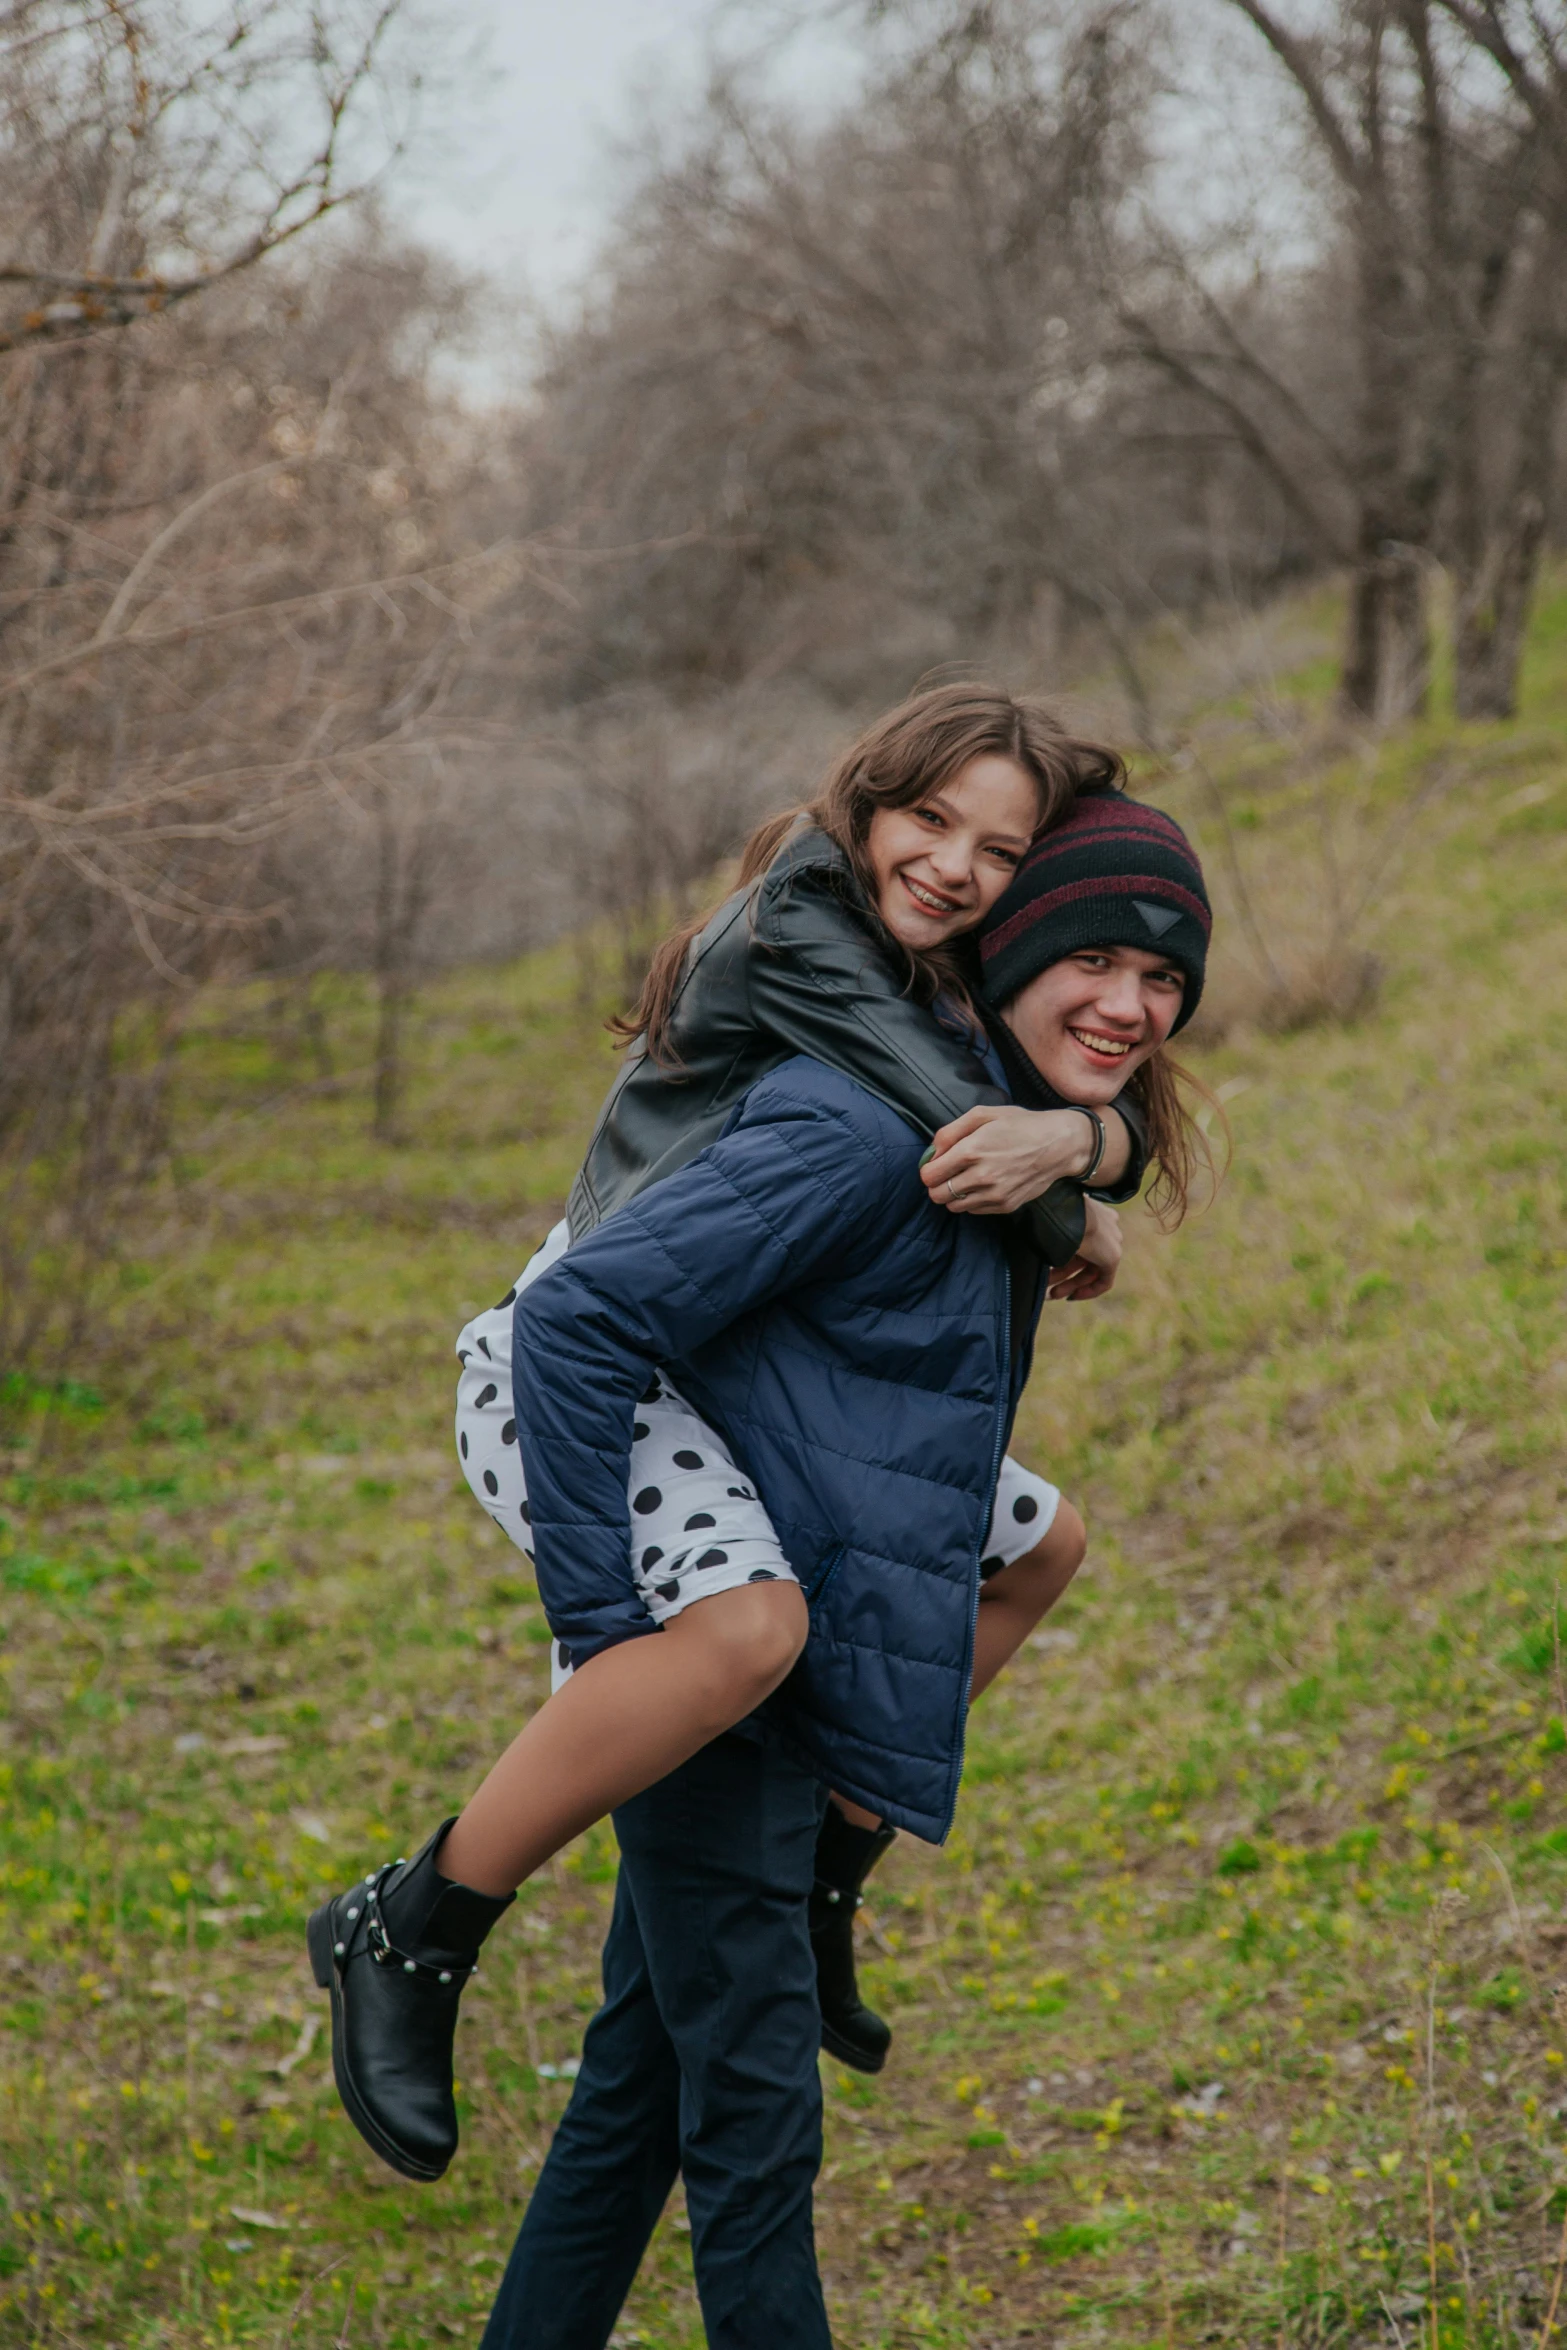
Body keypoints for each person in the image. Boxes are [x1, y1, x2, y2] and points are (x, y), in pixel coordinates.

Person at [308, 687, 1157, 2174]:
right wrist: (601, 1621)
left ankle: (830, 1870)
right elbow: (931, 1118)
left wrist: (1089, 1139)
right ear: (864, 800)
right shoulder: (804, 931)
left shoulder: (936, 968)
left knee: (1040, 1543)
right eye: (930, 820)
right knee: (744, 1628)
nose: (957, 864)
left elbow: (1081, 1078)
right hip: (575, 1355)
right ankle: (415, 1921)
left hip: (724, 1366)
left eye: (999, 848)